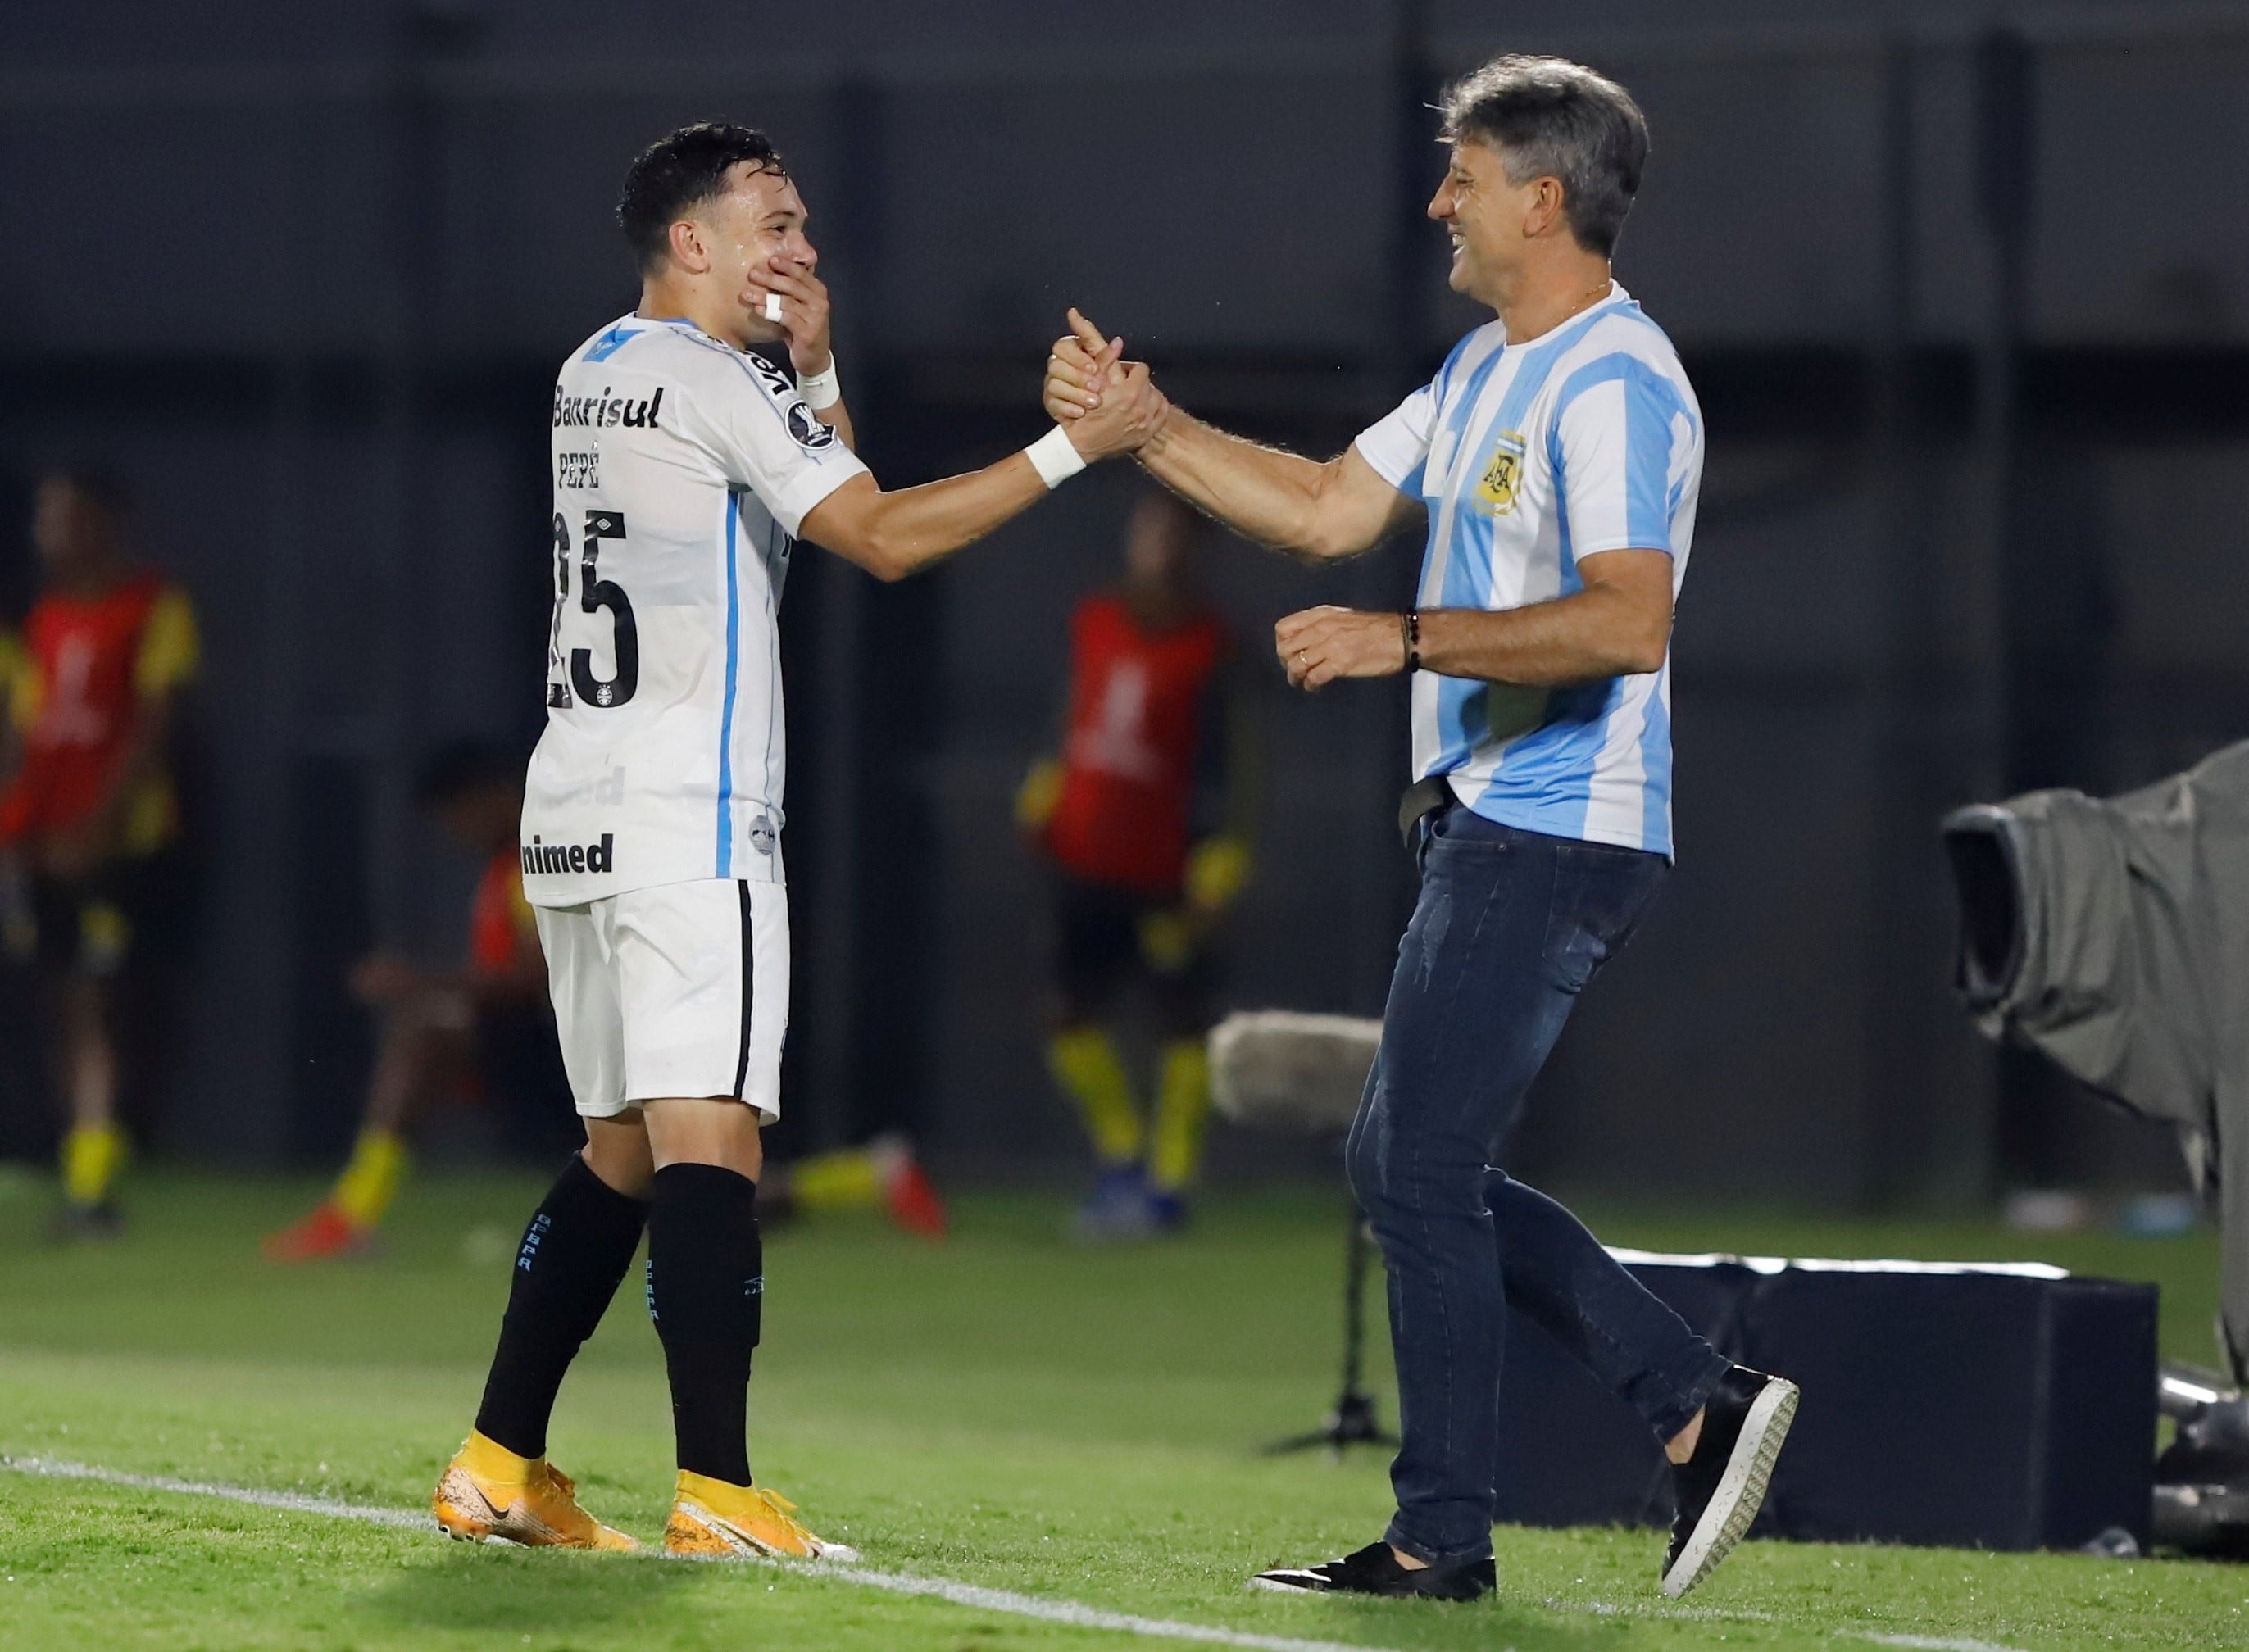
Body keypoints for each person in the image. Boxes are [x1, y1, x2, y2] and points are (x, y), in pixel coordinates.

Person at [1045, 56, 1797, 1602]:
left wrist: (1403, 640)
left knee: (1414, 1170)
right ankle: (1681, 1409)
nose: (1435, 201)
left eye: (1460, 176)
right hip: (1489, 822)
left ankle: (1457, 1528)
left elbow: (1626, 621)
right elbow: (1324, 502)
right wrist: (1148, 428)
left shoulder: (1613, 379)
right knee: (1410, 1167)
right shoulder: (1482, 372)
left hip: (1558, 822)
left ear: (1541, 198)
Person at [430, 121, 1157, 1560]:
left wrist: (812, 371)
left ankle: (497, 1462)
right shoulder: (710, 379)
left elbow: (781, 492)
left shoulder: (598, 369)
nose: (802, 248)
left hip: (574, 812)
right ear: (688, 242)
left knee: (622, 1149)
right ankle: (719, 1494)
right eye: (772, 222)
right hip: (691, 816)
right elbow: (876, 536)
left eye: (807, 225)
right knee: (712, 1138)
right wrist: (1080, 444)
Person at [265, 744, 946, 1263]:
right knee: (679, 1198)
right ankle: (873, 1175)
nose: (457, 831)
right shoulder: (518, 860)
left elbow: (531, 980)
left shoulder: (549, 849)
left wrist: (418, 983)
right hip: (562, 1050)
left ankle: (871, 1175)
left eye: (459, 814)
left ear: (493, 796)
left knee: (687, 1197)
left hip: (579, 1053)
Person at [1017, 489, 1256, 1237]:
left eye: (1172, 539)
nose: (1156, 551)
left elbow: (1234, 766)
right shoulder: (1095, 620)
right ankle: (1122, 1158)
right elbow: (1072, 713)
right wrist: (1045, 789)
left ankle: (1170, 1183)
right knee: (1069, 1016)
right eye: (1146, 535)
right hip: (1084, 853)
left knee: (1181, 1023)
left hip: (1163, 870)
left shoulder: (1213, 647)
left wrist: (1221, 862)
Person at [0, 469, 198, 1237]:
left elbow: (155, 720)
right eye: (46, 518)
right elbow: (27, 736)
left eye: (69, 516)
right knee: (62, 1002)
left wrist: (99, 823)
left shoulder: (153, 605)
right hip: (44, 841)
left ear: (107, 521)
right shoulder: (38, 620)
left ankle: (95, 1184)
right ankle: (84, 1173)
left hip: (121, 843)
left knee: (98, 1005)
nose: (52, 533)